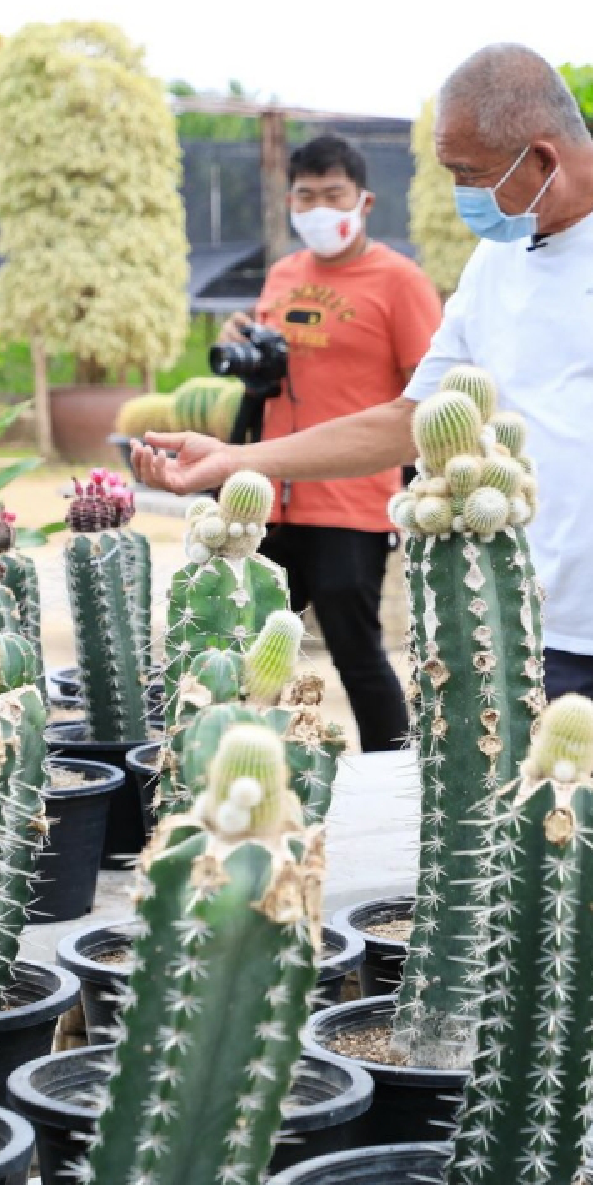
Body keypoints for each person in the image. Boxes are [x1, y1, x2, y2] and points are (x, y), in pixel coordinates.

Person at [134, 44, 593, 825]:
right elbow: (410, 418)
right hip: (536, 648)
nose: (460, 197)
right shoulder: (500, 261)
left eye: (468, 175)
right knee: (558, 900)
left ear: (541, 156)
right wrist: (239, 458)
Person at [212, 133, 443, 753]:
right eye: (305, 196)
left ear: (363, 201)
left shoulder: (400, 282)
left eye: (332, 195)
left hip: (350, 500)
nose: (318, 209)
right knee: (252, 649)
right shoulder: (286, 273)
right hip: (271, 497)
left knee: (355, 650)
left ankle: (397, 777)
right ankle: (251, 761)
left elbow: (428, 393)